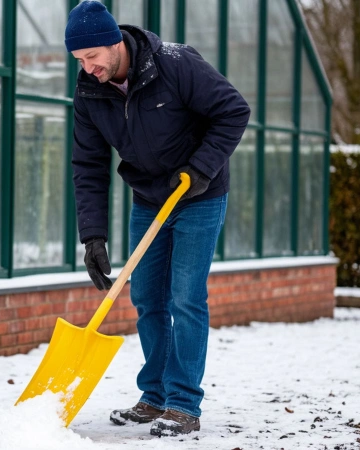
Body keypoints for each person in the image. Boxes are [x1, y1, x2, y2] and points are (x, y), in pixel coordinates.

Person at [64, 1, 250, 437]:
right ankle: (154, 396)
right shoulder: (90, 91)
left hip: (198, 194)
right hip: (148, 198)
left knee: (186, 298)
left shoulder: (174, 63)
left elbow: (233, 111)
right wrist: (92, 235)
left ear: (114, 43)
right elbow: (87, 163)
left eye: (92, 57)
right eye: (79, 60)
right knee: (147, 298)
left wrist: (201, 169)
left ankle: (183, 403)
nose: (87, 68)